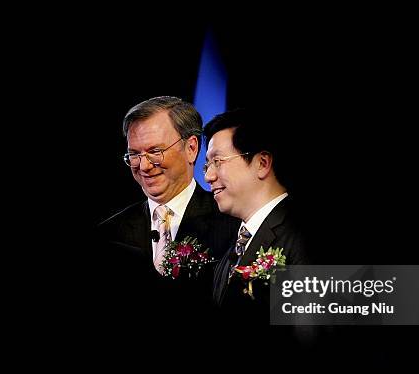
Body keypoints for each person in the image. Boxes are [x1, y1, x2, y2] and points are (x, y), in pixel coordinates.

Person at [97, 96, 239, 320]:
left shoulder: (234, 222)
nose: (143, 166)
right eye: (134, 154)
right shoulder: (109, 233)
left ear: (192, 148)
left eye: (155, 151)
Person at [203, 108, 314, 324]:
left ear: (262, 163)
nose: (208, 176)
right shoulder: (230, 251)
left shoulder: (303, 236)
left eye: (217, 161)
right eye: (207, 165)